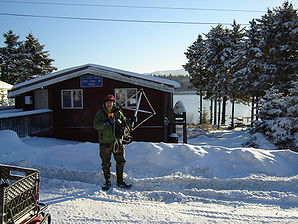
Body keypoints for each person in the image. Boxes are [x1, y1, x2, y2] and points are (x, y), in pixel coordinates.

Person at [93, 94, 132, 191]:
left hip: (117, 141)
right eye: (107, 102)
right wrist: (106, 124)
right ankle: (107, 181)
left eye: (110, 102)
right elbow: (96, 125)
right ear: (105, 103)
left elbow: (125, 122)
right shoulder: (100, 113)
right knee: (105, 163)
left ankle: (120, 181)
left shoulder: (118, 112)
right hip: (105, 142)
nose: (109, 104)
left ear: (113, 103)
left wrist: (131, 121)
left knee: (120, 161)